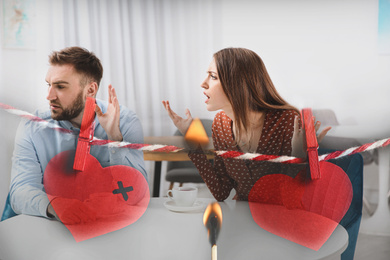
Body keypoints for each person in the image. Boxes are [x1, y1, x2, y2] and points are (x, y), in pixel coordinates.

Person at [163, 47, 330, 201]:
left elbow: (294, 195)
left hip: (282, 221)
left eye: (213, 76)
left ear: (237, 83)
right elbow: (221, 191)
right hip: (242, 217)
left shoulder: (287, 121)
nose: (203, 83)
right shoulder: (220, 124)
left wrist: (298, 155)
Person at [2, 46, 146, 222]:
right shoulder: (33, 124)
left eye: (60, 87)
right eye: (49, 85)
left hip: (105, 226)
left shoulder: (125, 122)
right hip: (47, 224)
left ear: (91, 90)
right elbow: (20, 191)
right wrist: (56, 206)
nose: (49, 96)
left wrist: (114, 139)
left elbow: (137, 194)